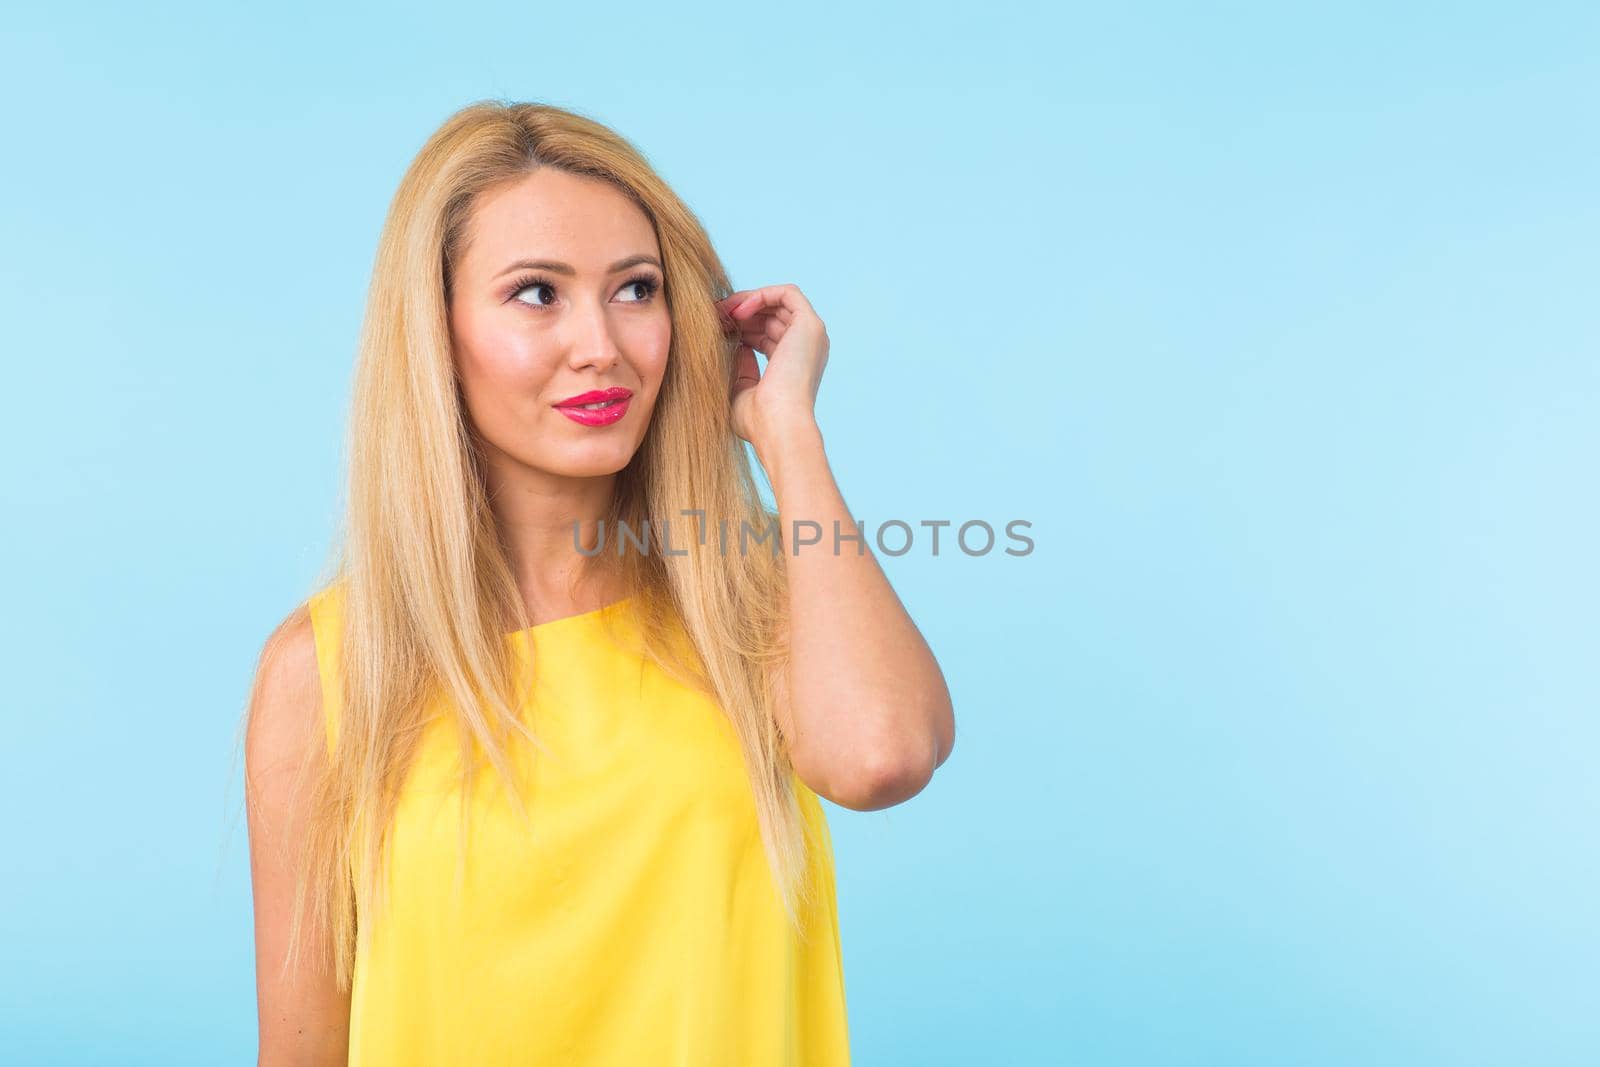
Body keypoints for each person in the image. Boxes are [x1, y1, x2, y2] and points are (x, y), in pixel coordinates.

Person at [242, 99, 955, 1066]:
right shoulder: (327, 672)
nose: (603, 345)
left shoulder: (751, 612)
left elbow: (883, 756)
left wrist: (788, 436)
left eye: (636, 289)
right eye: (537, 292)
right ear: (434, 327)